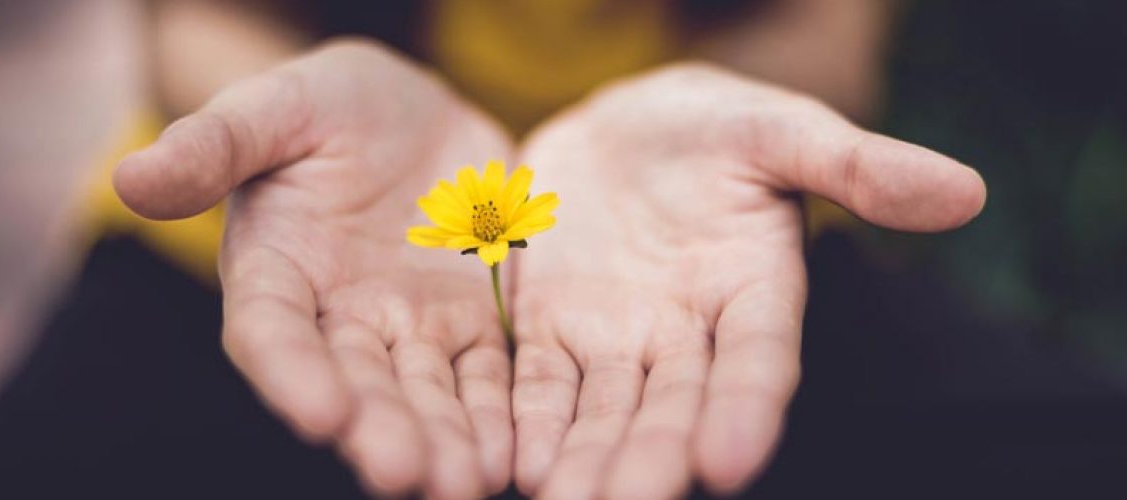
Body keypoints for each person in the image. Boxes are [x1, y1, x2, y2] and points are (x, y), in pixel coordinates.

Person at [106, 3, 984, 499]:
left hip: (704, 242)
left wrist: (724, 107)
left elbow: (826, 36)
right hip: (300, 237)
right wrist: (269, 110)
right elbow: (189, 19)